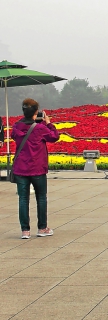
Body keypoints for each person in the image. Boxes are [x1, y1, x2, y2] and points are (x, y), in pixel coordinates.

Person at [11, 98, 59, 238]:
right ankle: (42, 228)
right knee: (41, 198)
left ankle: (25, 231)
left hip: (21, 169)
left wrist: (28, 119)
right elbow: (54, 137)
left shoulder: (16, 127)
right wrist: (48, 123)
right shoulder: (40, 128)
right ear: (36, 112)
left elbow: (16, 134)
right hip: (37, 168)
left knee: (23, 199)